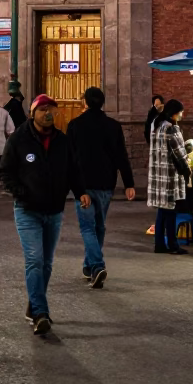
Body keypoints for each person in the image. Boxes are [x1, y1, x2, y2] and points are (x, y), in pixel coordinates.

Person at [0, 94, 90, 334]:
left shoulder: (62, 141)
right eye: (43, 110)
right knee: (35, 260)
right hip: (28, 211)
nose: (48, 114)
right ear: (33, 113)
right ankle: (41, 312)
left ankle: (34, 304)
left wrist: (81, 192)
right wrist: (22, 193)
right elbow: (5, 173)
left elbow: (73, 169)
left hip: (54, 211)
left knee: (47, 263)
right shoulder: (19, 139)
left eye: (52, 109)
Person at [66, 87, 136, 286]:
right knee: (99, 225)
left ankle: (96, 265)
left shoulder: (75, 125)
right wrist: (128, 183)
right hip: (106, 183)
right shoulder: (113, 126)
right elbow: (121, 156)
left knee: (88, 227)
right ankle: (89, 267)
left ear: (85, 102)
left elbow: (69, 159)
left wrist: (69, 186)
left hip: (83, 185)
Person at [147, 99, 190, 254]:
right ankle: (173, 245)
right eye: (181, 112)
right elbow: (180, 152)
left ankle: (159, 244)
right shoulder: (172, 128)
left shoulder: (156, 125)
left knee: (162, 210)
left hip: (157, 173)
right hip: (170, 175)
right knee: (170, 210)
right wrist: (187, 169)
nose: (181, 115)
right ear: (174, 113)